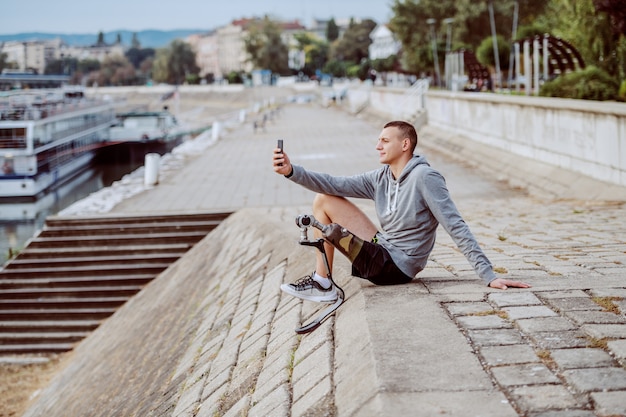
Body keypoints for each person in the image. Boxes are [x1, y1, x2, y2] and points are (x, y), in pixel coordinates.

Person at [272, 120, 530, 303]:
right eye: (378, 141)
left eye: (384, 140)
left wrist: (488, 275)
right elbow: (334, 183)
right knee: (325, 199)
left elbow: (456, 225)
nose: (378, 146)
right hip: (384, 248)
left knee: (325, 206)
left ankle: (321, 282)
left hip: (396, 267)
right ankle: (323, 282)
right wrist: (292, 171)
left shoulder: (425, 178)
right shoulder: (381, 177)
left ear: (405, 144)